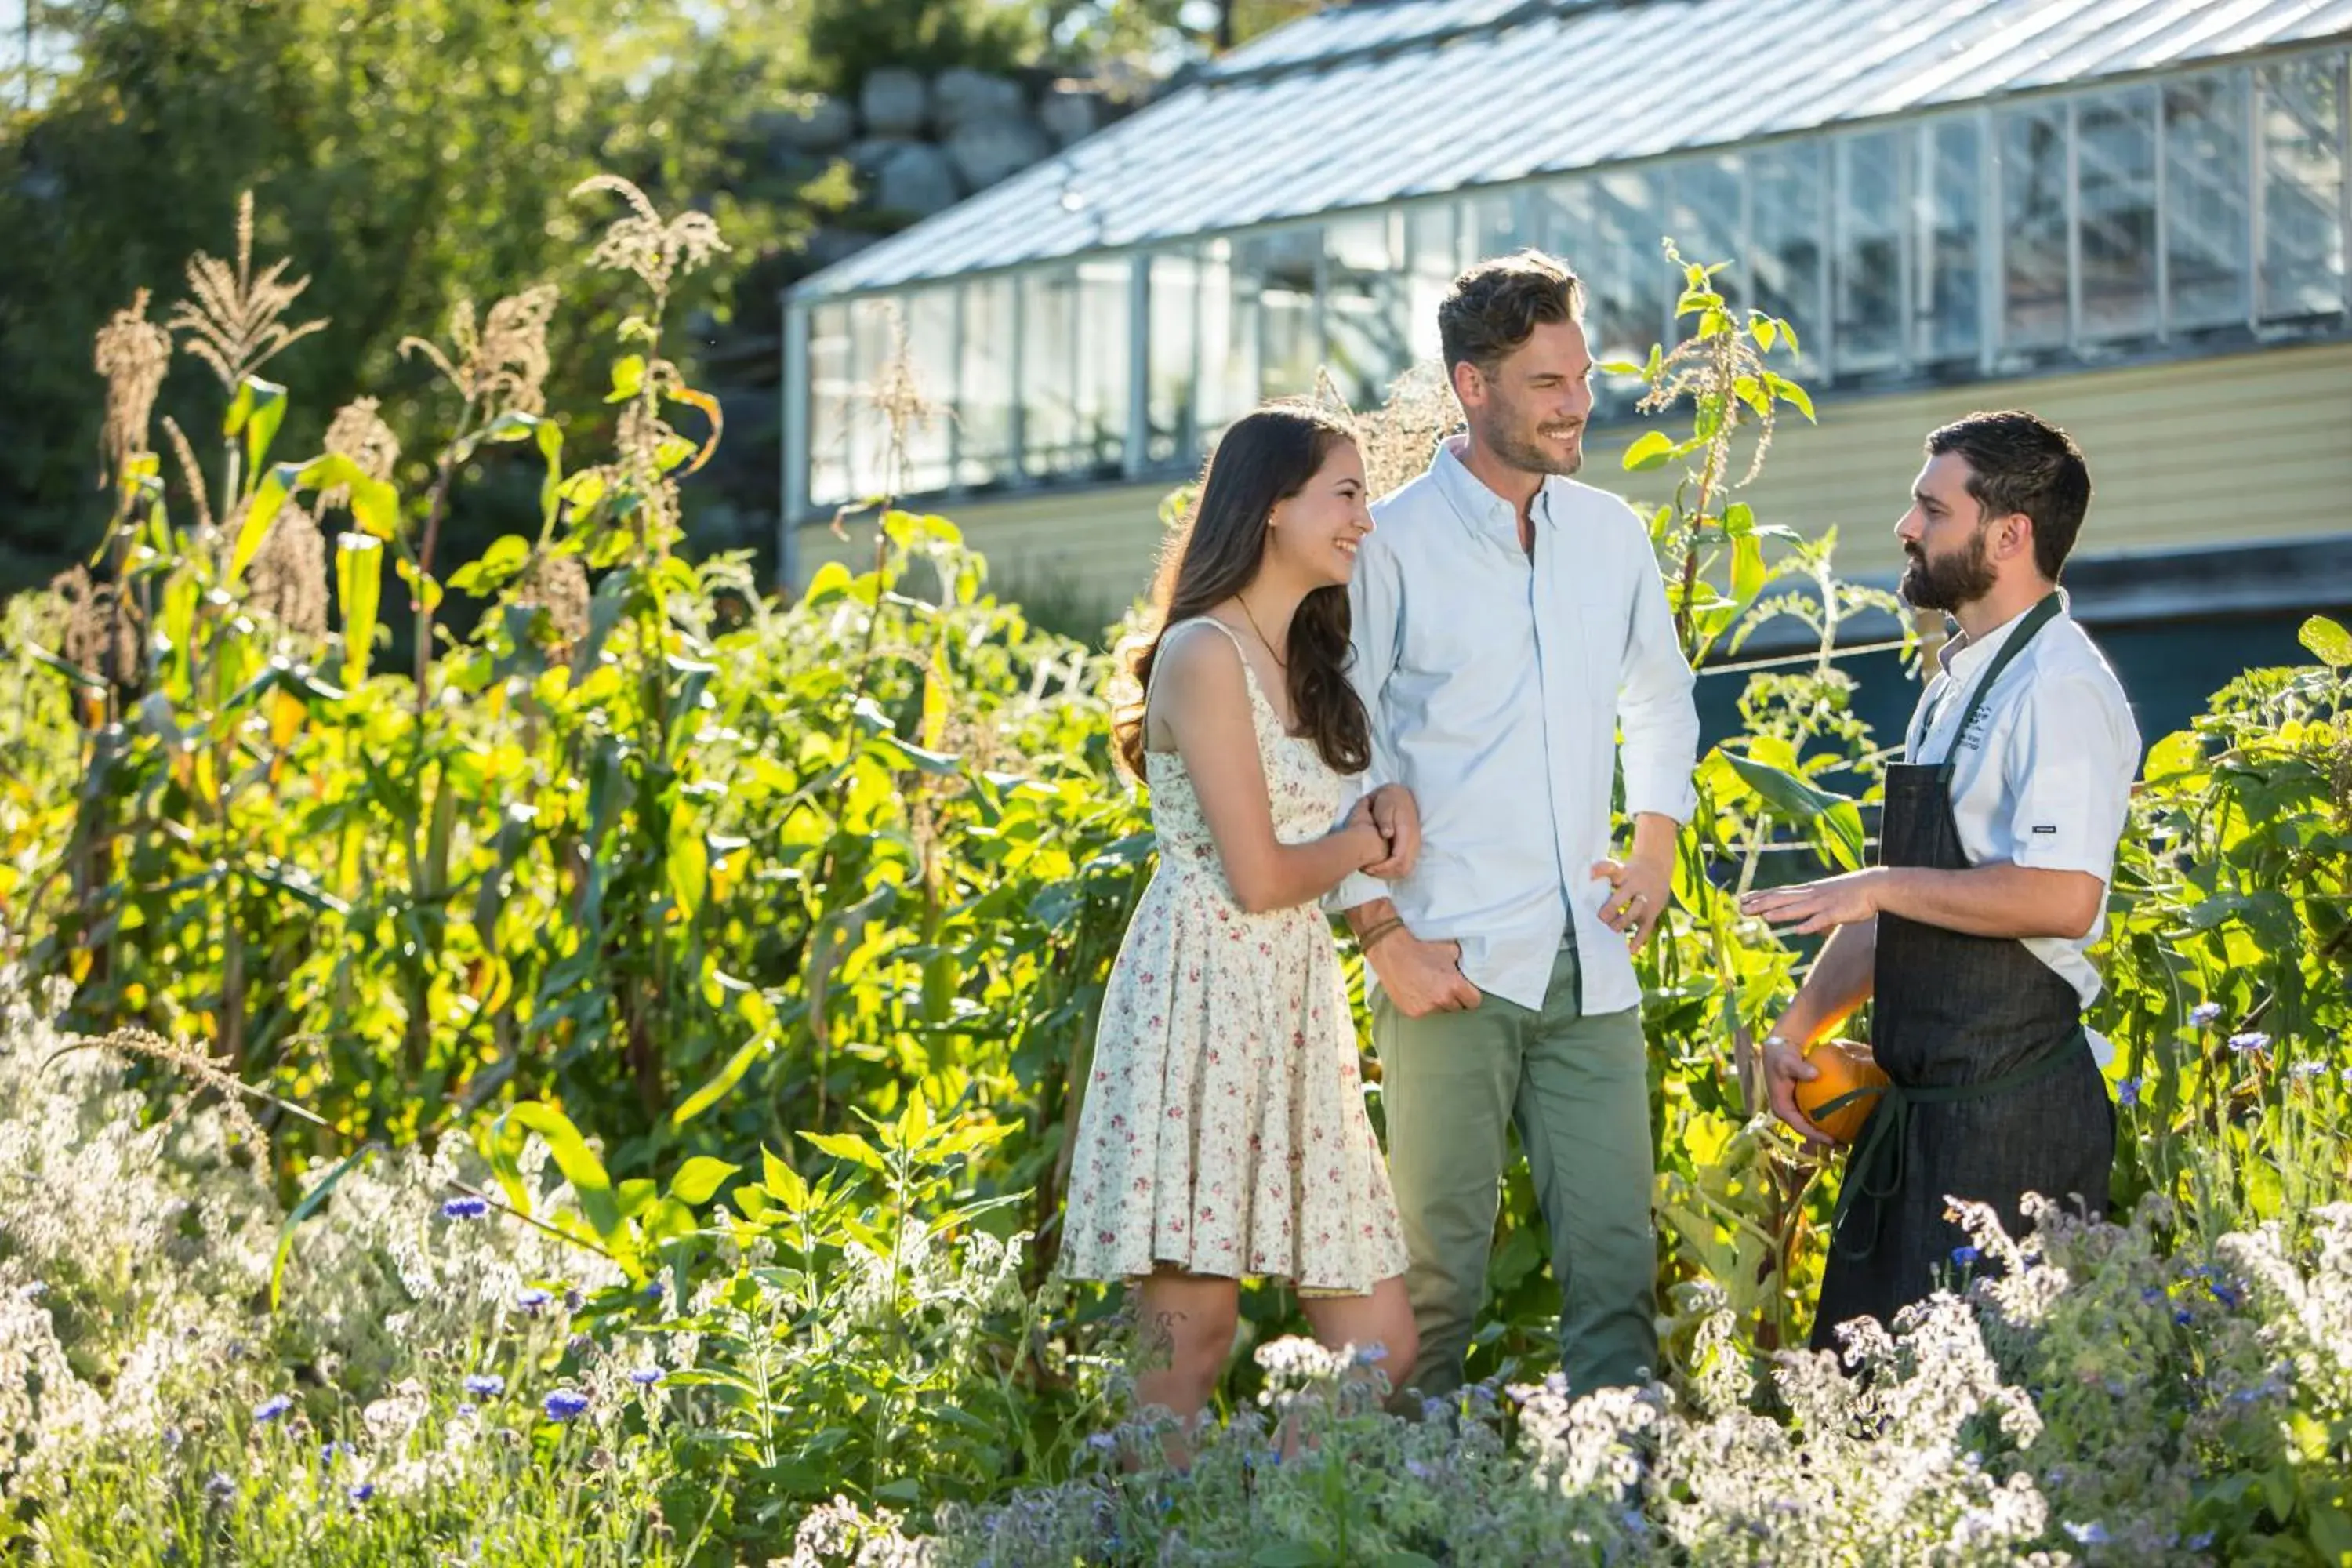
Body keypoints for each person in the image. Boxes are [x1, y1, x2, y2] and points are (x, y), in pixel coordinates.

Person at [1332, 250, 1701, 1399]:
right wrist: (1380, 934)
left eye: (1581, 376)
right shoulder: (1388, 542)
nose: (1578, 403)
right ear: (1472, 386)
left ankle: (1614, 1493)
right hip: (1447, 962)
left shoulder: (1611, 535)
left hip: (1591, 958)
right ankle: (1405, 1497)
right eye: (1548, 382)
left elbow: (1660, 698)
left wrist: (1655, 844)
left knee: (1618, 1271)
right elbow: (1339, 735)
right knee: (1433, 1284)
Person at [1058, 401, 1421, 1438]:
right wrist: (1366, 839)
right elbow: (1258, 877)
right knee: (1193, 1339)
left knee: (1379, 1342)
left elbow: (1319, 826)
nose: (1364, 519)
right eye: (1345, 494)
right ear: (1270, 506)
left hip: (1293, 1001)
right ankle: (1143, 1525)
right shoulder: (1204, 653)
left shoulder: (1302, 654)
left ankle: (1268, 1510)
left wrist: (1378, 810)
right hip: (1203, 993)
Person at [1741, 410, 2140, 1352]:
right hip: (1918, 1117)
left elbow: (2063, 895)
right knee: (1868, 1394)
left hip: (2015, 1122)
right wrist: (1798, 1029)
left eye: (1932, 508)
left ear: (2009, 534)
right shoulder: (1952, 684)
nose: (1906, 526)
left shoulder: (2060, 686)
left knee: (1995, 1410)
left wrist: (1881, 882)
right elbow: (1904, 901)